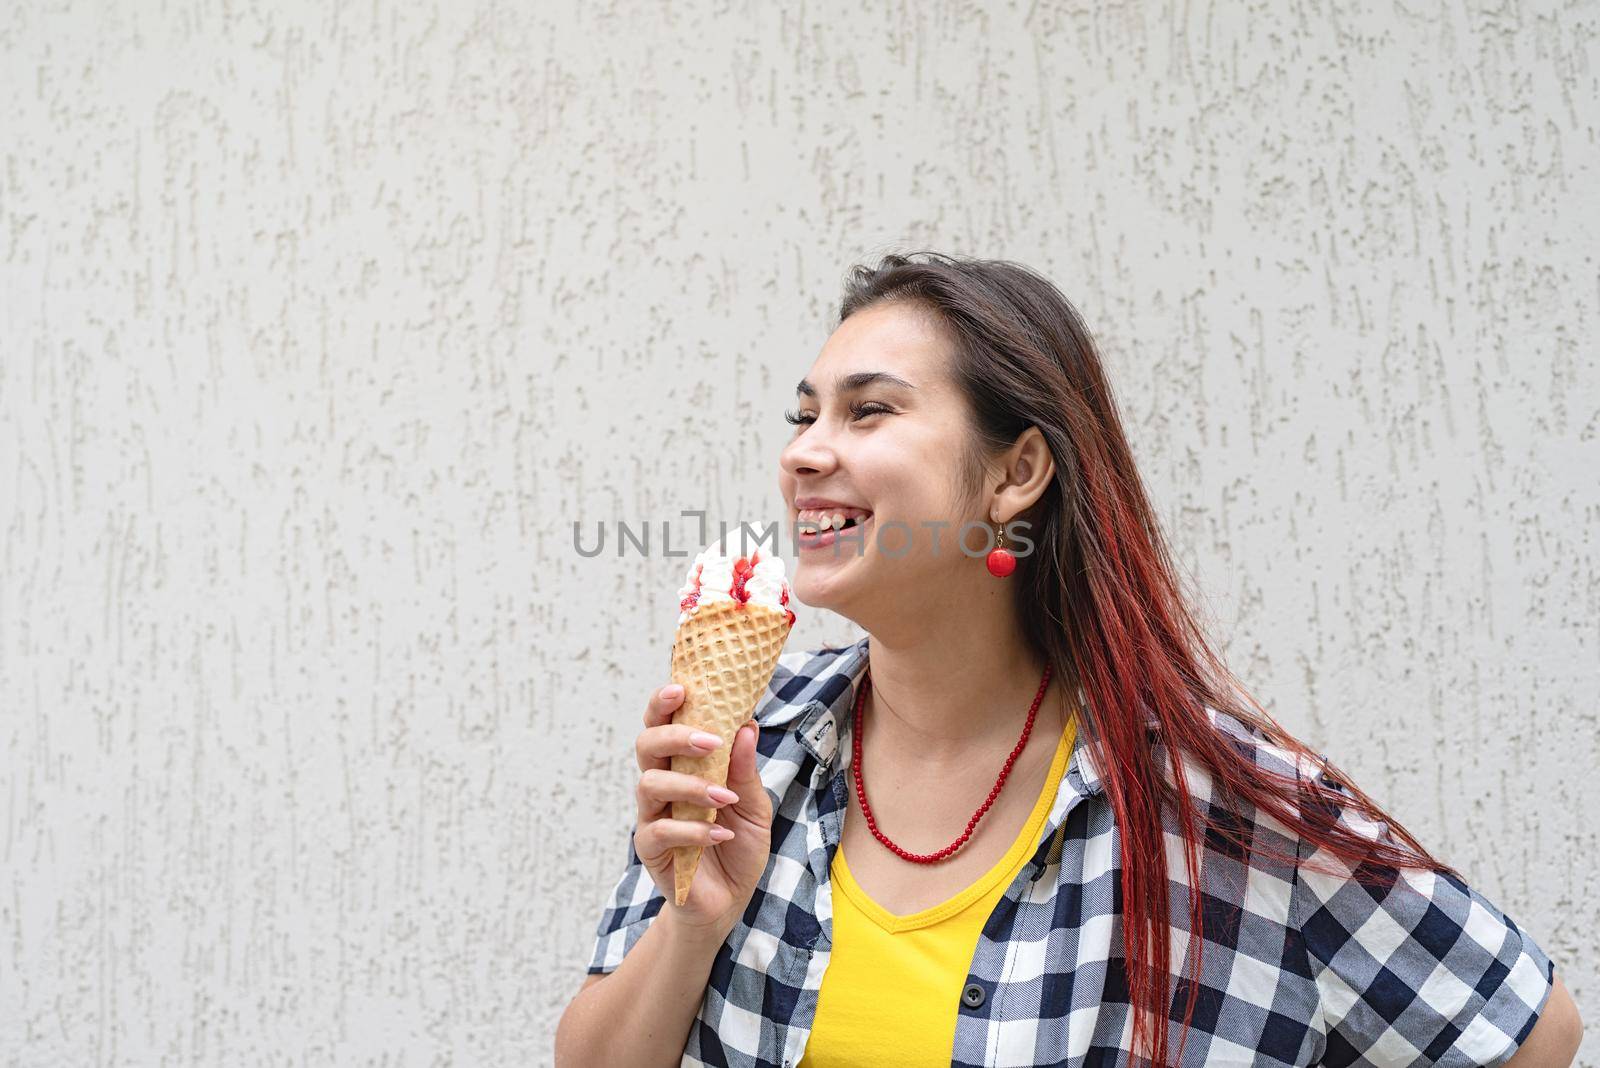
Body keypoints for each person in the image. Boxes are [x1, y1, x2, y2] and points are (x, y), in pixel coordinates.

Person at [554, 252, 1583, 1067]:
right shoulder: (754, 748)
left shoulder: (1212, 802)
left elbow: (1533, 1034)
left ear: (1018, 473)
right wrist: (695, 921)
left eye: (867, 411)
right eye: (804, 413)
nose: (804, 451)